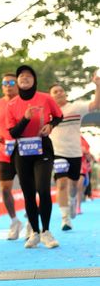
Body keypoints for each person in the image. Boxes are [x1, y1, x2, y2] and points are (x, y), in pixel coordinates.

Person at [7, 65, 63, 249]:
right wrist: (25, 118)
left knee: (43, 189)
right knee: (29, 193)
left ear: (34, 80)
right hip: (22, 151)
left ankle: (46, 231)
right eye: (21, 76)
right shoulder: (12, 104)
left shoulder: (45, 98)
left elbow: (59, 116)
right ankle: (35, 233)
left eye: (28, 75)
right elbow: (13, 133)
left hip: (42, 149)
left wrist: (51, 125)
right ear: (17, 81)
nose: (25, 78)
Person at [49, 71, 100, 230]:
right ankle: (65, 219)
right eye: (55, 92)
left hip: (74, 153)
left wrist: (98, 86)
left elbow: (95, 105)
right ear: (50, 97)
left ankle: (72, 202)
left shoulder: (76, 107)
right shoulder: (47, 113)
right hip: (57, 153)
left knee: (72, 186)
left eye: (61, 91)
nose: (59, 93)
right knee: (61, 184)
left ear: (65, 94)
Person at [0, 73, 23, 240]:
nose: (8, 86)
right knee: (5, 189)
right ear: (2, 87)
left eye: (12, 82)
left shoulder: (24, 101)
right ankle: (14, 221)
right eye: (5, 83)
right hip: (4, 151)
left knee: (28, 187)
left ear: (18, 85)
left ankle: (32, 221)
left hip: (23, 150)